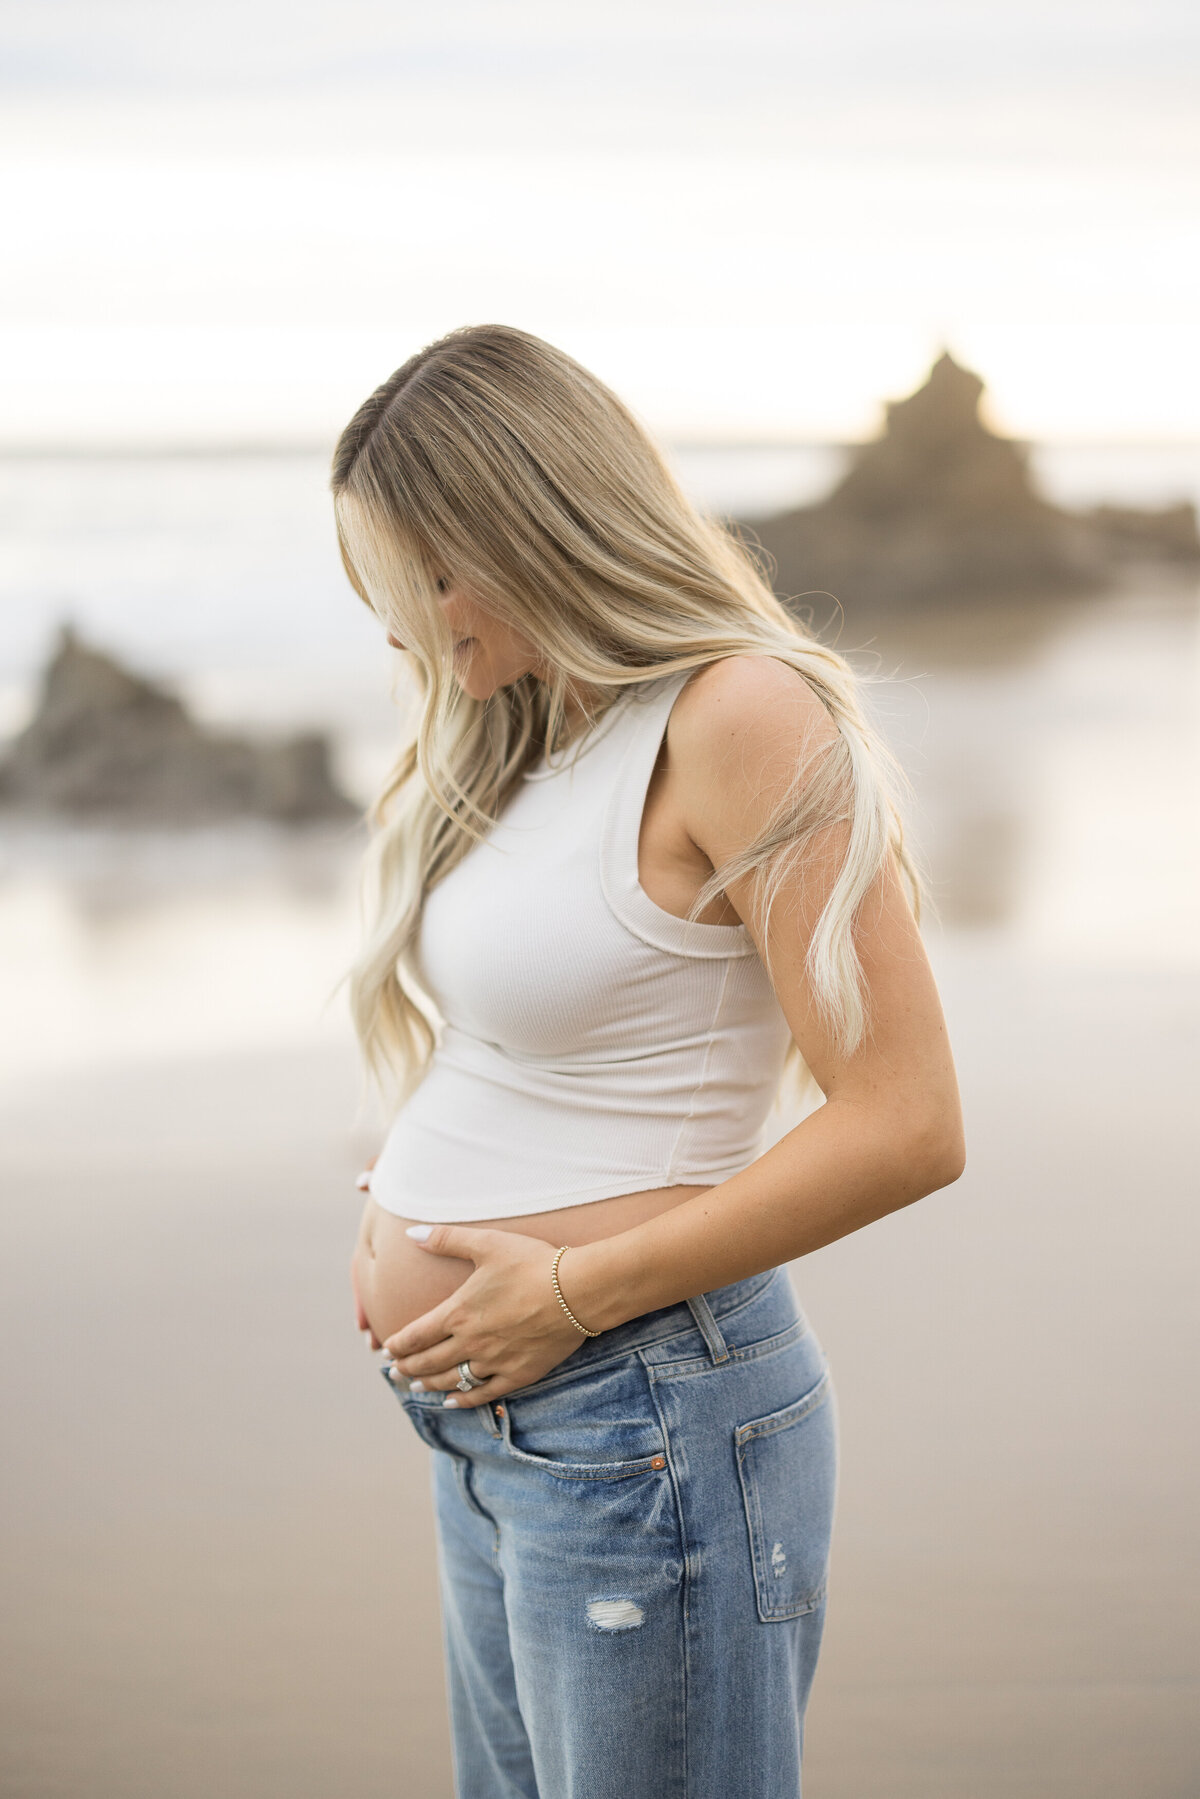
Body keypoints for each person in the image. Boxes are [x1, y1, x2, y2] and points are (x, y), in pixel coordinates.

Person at [333, 324, 965, 1799]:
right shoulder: (540, 729)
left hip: (640, 1414)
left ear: (531, 523)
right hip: (505, 1422)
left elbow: (910, 1122)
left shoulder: (742, 717)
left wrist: (562, 1287)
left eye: (421, 574)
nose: (398, 624)